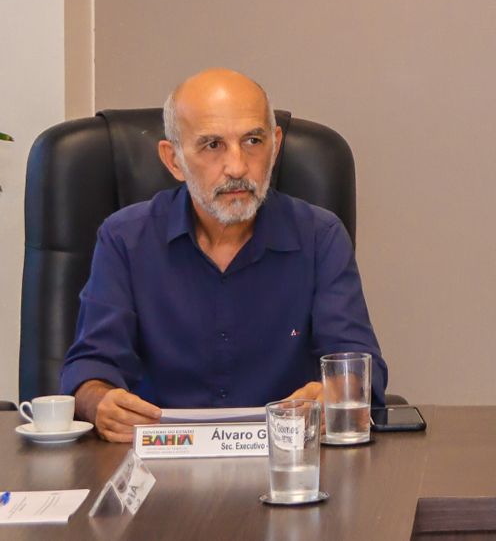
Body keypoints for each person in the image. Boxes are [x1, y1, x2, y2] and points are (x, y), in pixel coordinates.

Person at [60, 68, 387, 441]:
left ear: (275, 146)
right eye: (212, 145)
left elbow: (357, 365)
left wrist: (337, 394)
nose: (237, 167)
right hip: (160, 458)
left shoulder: (320, 237)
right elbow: (90, 365)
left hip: (288, 454)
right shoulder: (125, 238)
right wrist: (99, 401)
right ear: (173, 160)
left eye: (253, 141)